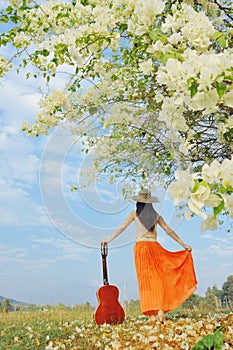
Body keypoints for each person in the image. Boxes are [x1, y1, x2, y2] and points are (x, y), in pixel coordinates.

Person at [101, 189, 197, 323]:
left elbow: (122, 227)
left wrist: (108, 240)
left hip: (141, 248)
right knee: (160, 279)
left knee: (146, 283)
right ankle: (160, 311)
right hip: (155, 247)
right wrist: (183, 244)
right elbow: (169, 230)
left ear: (138, 202)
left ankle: (152, 315)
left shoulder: (135, 213)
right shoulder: (156, 215)